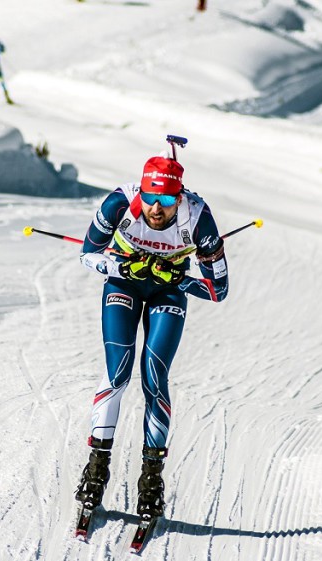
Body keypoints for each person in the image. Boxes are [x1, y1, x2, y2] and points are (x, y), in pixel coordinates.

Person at [74, 143, 230, 521]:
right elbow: (87, 255)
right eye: (150, 197)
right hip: (123, 285)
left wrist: (179, 278)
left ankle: (151, 481)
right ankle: (96, 469)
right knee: (118, 370)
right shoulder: (119, 203)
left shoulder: (199, 220)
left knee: (154, 376)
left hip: (168, 292)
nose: (156, 208)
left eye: (165, 199)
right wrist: (123, 271)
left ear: (181, 199)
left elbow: (218, 290)